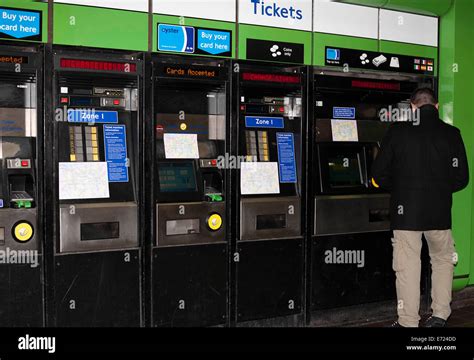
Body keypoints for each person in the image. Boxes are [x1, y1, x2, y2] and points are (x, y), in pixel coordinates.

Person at [371, 88, 469, 327]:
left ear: (412, 108)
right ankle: (439, 315)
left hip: (407, 214)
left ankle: (408, 321)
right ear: (436, 107)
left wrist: (401, 187)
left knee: (408, 266)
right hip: (439, 213)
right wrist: (439, 189)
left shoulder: (398, 131)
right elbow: (462, 178)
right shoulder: (452, 134)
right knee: (443, 261)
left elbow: (378, 174)